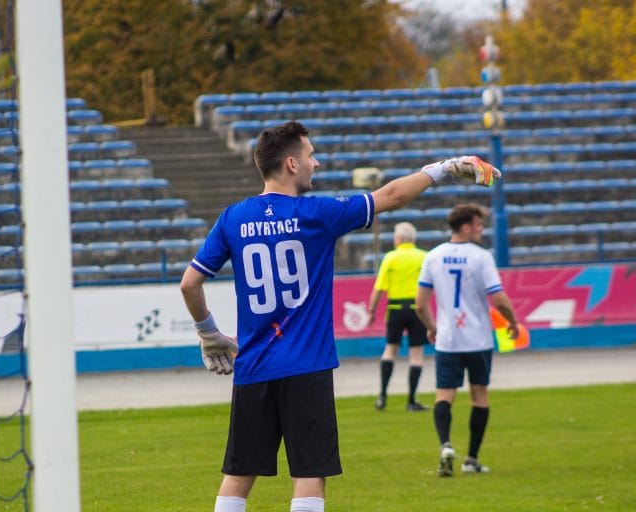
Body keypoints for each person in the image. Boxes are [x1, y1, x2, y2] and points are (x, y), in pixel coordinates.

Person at [180, 120, 499, 512]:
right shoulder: (317, 213)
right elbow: (393, 196)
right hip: (306, 367)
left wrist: (208, 333)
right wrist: (445, 168)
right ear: (292, 164)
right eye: (311, 155)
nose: (317, 162)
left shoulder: (232, 218)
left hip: (254, 368)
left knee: (238, 476)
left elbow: (189, 284)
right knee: (310, 474)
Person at [414, 203, 519, 477]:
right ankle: (471, 460)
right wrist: (513, 321)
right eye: (478, 225)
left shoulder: (434, 256)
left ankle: (446, 445)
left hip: (448, 339)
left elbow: (420, 305)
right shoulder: (481, 257)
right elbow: (498, 298)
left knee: (444, 395)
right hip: (478, 338)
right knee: (479, 396)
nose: (481, 230)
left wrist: (431, 327)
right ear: (465, 227)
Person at [366, 221, 429, 412]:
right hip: (417, 308)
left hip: (395, 307)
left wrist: (371, 310)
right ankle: (411, 400)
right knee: (416, 354)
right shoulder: (423, 257)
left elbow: (379, 288)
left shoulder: (391, 258)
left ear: (399, 239)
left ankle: (382, 397)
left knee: (390, 350)